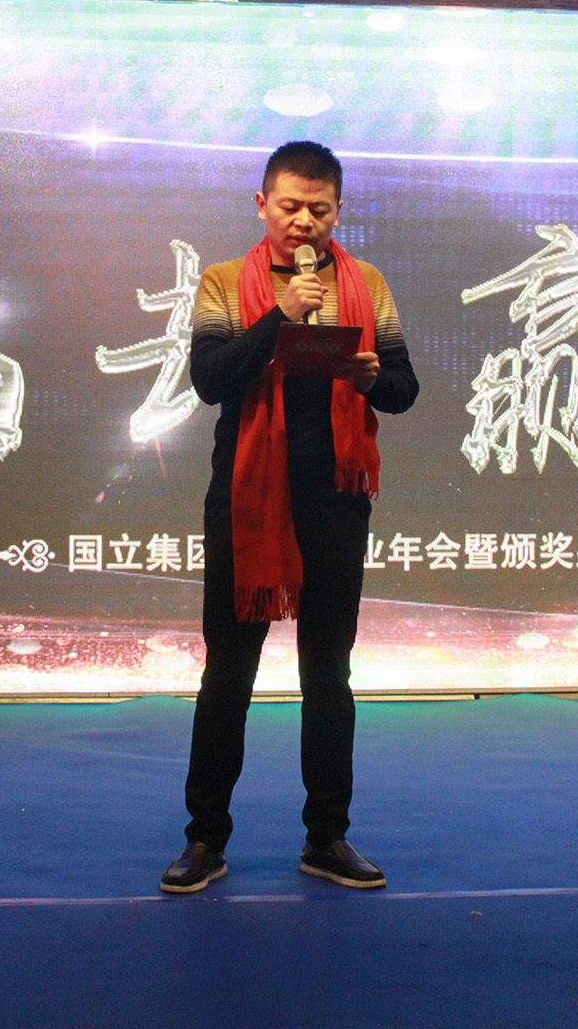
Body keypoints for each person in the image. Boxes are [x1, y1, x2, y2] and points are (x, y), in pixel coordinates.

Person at [161, 140, 418, 894]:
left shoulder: (367, 283)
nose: (304, 222)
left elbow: (404, 388)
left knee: (329, 672)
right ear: (262, 205)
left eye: (320, 209)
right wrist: (280, 316)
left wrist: (372, 377)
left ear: (339, 211)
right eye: (290, 206)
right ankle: (204, 839)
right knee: (229, 671)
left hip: (335, 498)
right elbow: (210, 380)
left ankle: (327, 837)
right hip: (247, 498)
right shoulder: (222, 282)